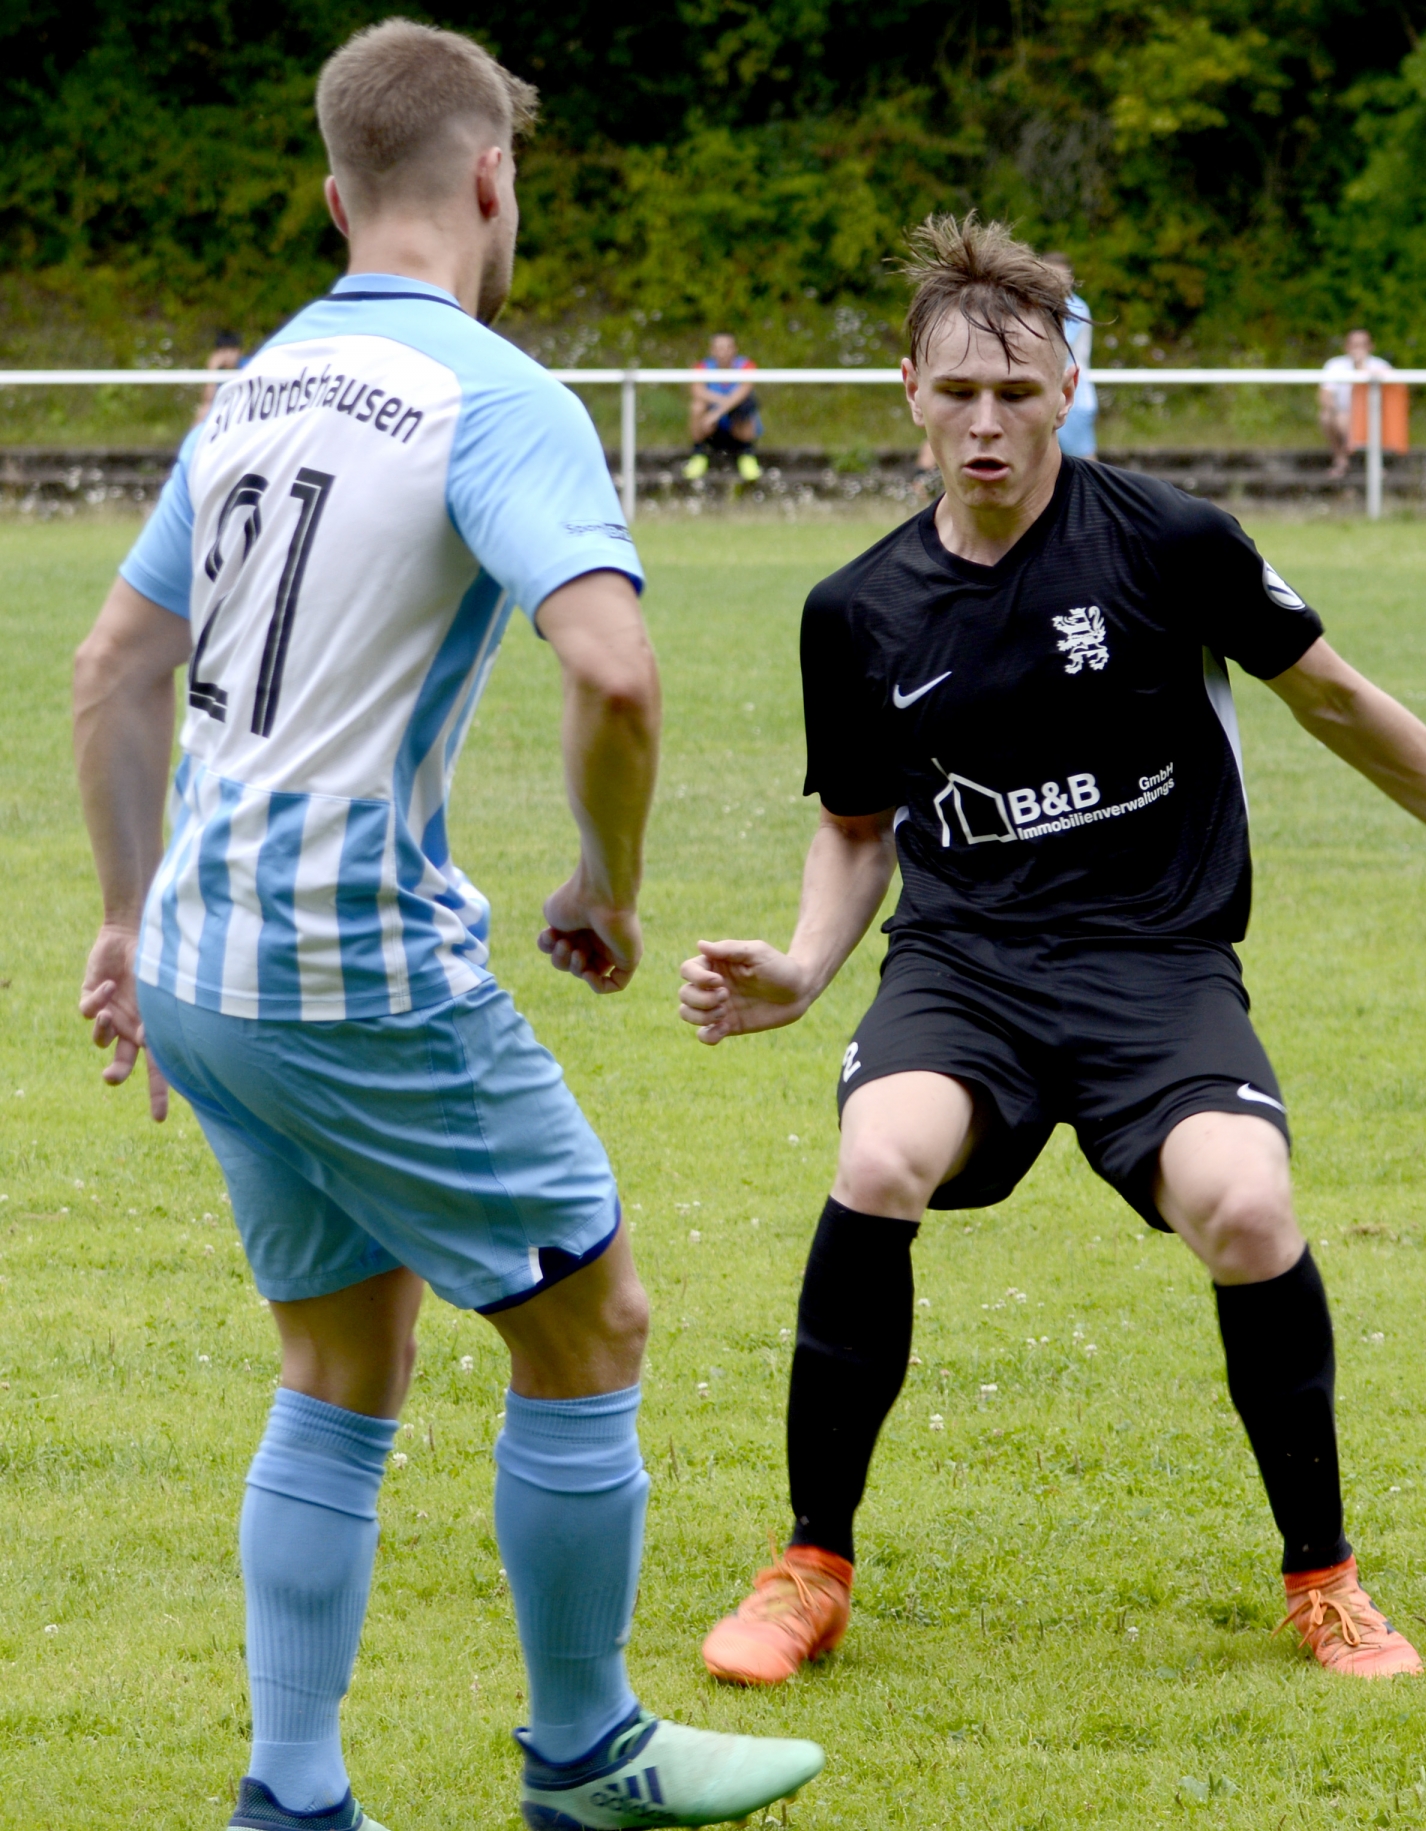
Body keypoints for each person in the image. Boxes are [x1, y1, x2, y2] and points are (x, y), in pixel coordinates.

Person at [677, 213, 1426, 1690]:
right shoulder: (856, 611)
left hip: (1158, 965)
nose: (985, 424)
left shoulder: (1172, 542)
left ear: (1067, 387)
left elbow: (1338, 700)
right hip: (966, 968)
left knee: (1246, 1205)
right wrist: (803, 971)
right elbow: (858, 828)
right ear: (909, 394)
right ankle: (810, 1567)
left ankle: (1325, 1579)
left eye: (1016, 391)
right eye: (956, 392)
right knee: (879, 1156)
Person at [72, 21, 822, 1831]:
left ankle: (294, 1795)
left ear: (335, 200)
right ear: (494, 178)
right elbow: (615, 669)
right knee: (592, 1323)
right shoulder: (496, 397)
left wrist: (122, 919)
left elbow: (112, 668)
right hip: (353, 965)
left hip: (205, 965)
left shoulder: (251, 393)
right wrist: (605, 884)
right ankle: (588, 1755)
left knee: (342, 1361)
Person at [684, 331, 763, 482]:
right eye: (719, 348)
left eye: (728, 347)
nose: (724, 352)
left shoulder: (746, 366)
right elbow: (697, 390)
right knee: (697, 406)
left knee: (746, 405)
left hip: (736, 425)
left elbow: (743, 392)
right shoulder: (703, 366)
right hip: (711, 427)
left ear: (735, 349)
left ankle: (747, 454)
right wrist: (721, 402)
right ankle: (698, 452)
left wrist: (718, 412)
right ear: (712, 350)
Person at [1042, 252, 1097, 460]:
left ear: (1070, 279)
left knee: (1085, 463)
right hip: (1053, 395)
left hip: (1074, 397)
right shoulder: (1043, 307)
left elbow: (1057, 341)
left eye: (1061, 276)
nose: (1055, 282)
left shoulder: (1075, 307)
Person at [1318, 328, 1392, 480]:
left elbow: (1393, 392)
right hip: (1342, 413)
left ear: (1371, 346)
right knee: (1326, 417)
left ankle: (1371, 462)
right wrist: (1334, 410)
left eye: (1362, 344)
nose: (1358, 348)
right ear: (1346, 346)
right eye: (1354, 344)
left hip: (1373, 413)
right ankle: (1342, 459)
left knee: (1358, 420)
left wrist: (1361, 366)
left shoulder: (1380, 365)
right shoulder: (1334, 365)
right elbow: (1325, 394)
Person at [193, 329, 244, 426]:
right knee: (204, 409)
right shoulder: (217, 370)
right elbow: (208, 399)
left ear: (239, 351)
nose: (228, 355)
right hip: (223, 407)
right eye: (224, 351)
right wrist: (212, 369)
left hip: (243, 405)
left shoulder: (248, 365)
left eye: (232, 350)